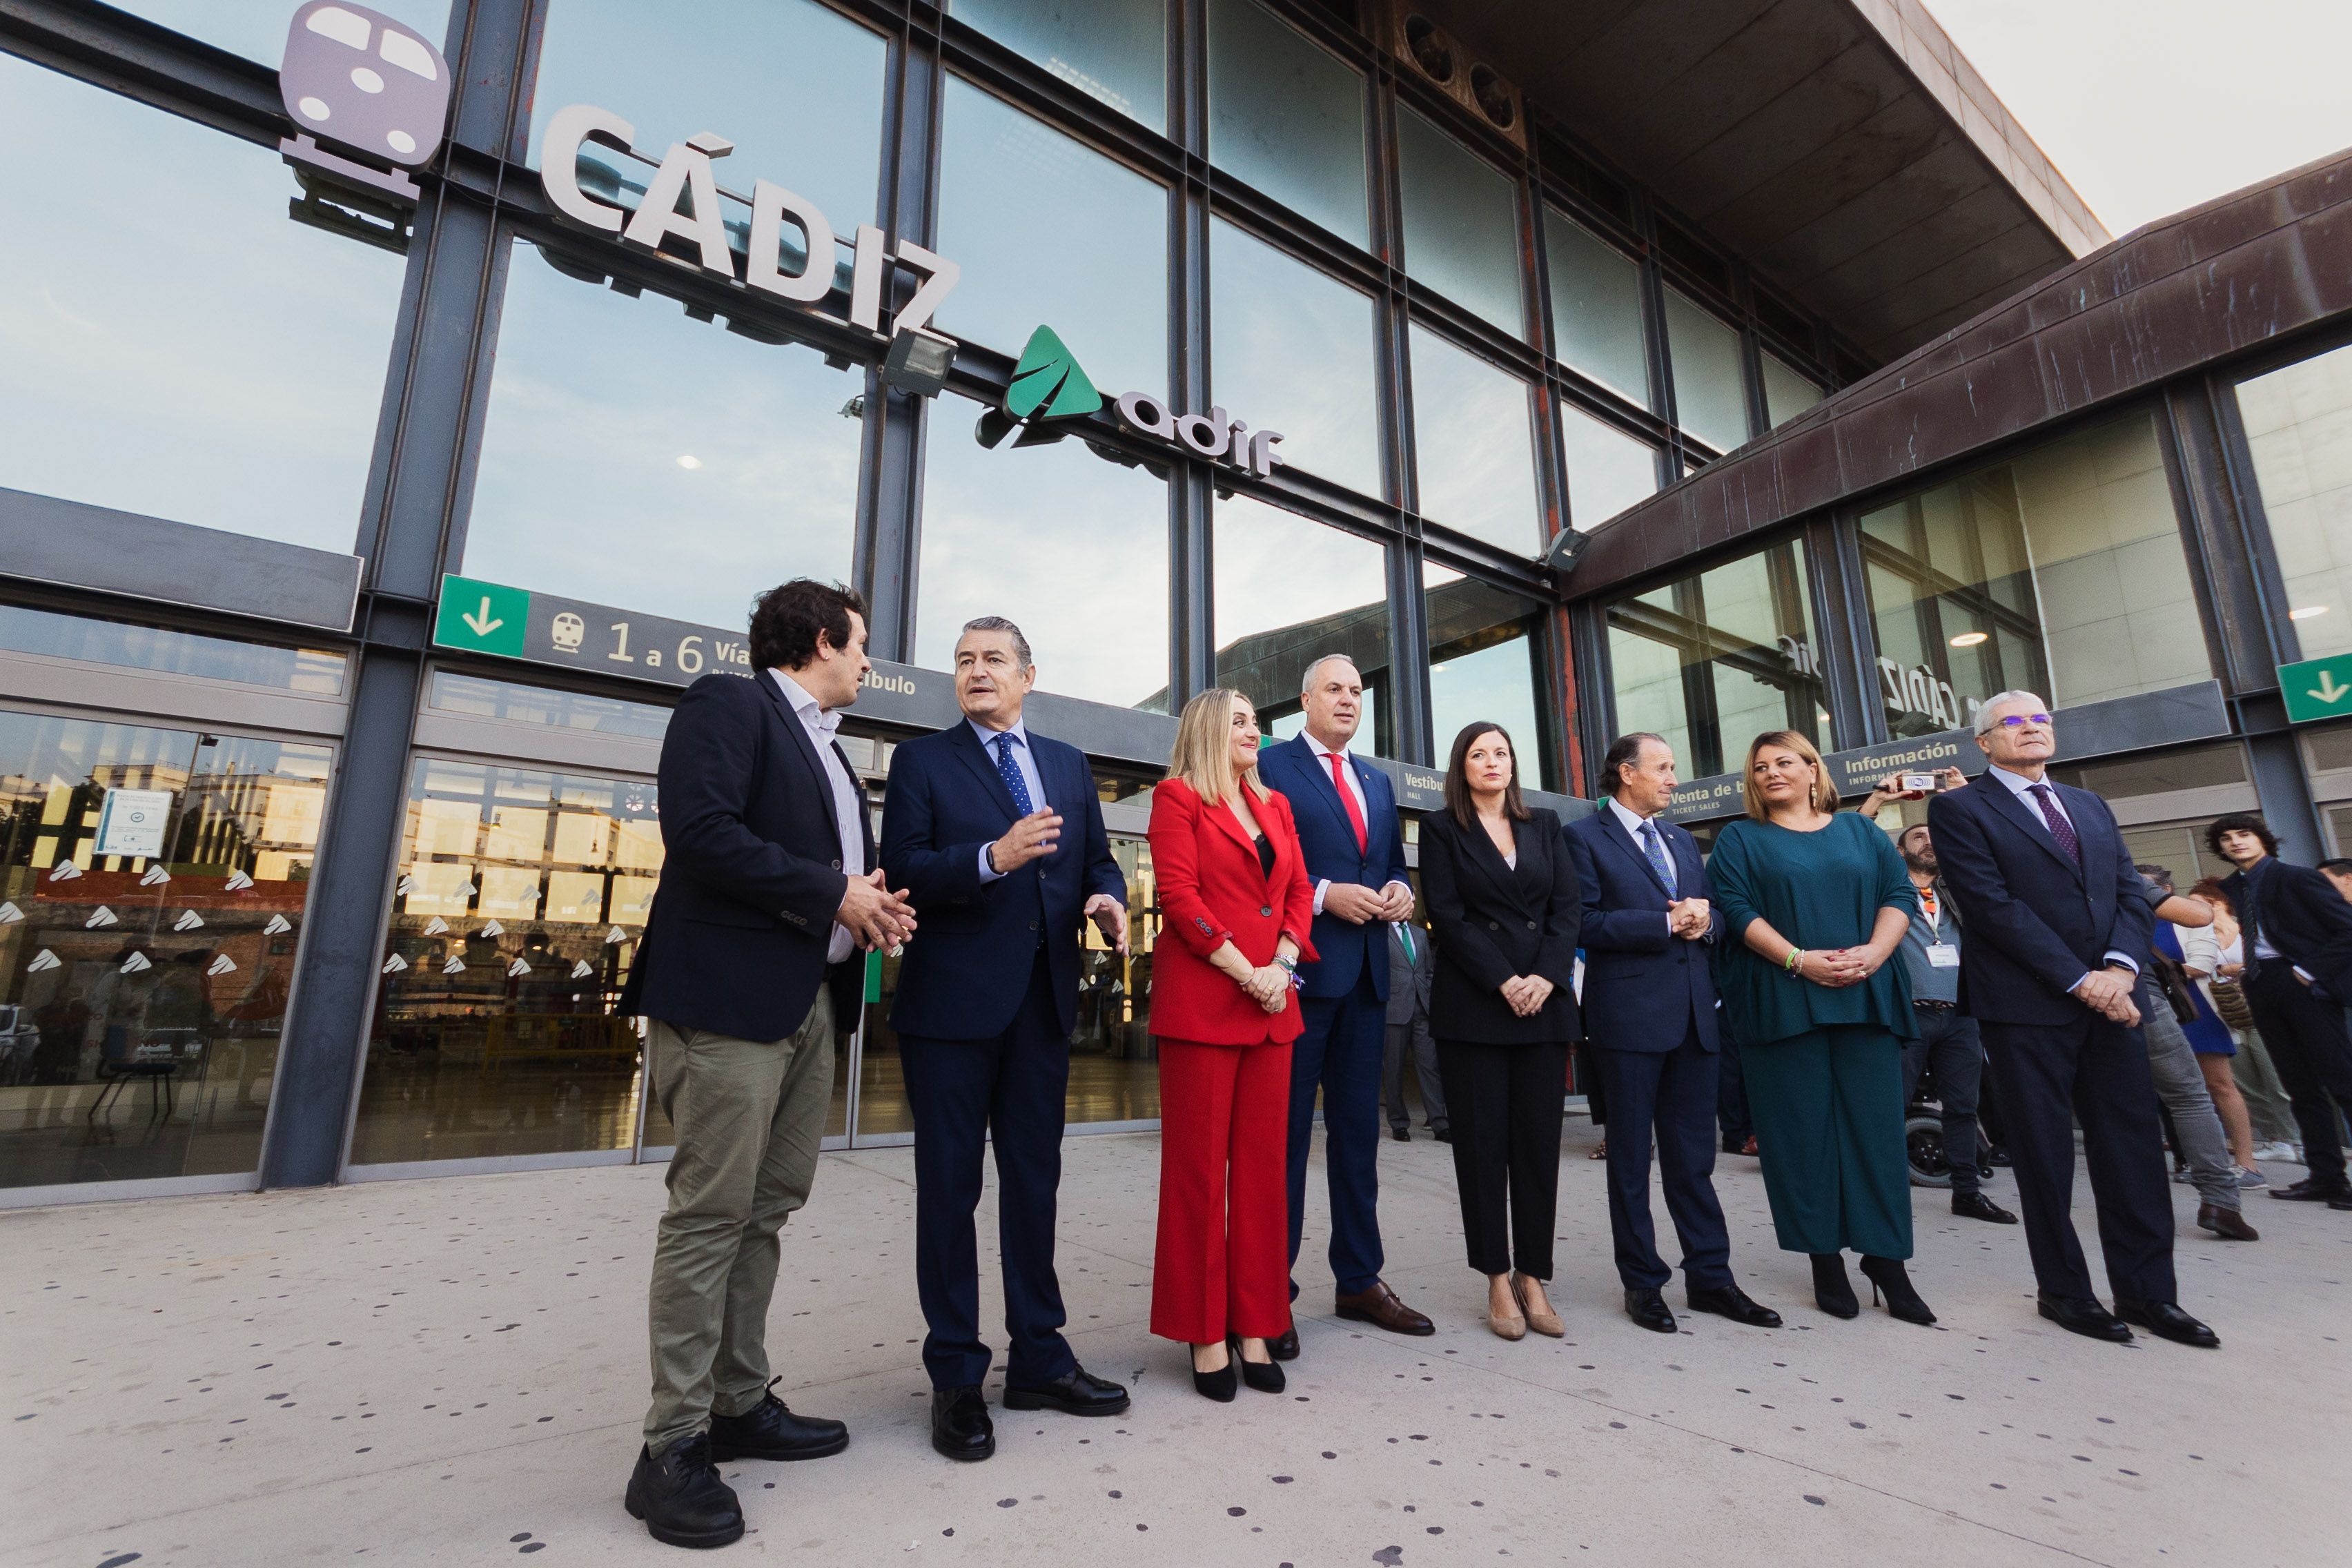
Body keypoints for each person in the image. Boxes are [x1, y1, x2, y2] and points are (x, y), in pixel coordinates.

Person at [618, 580, 916, 1548]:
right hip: (728, 1008)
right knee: (710, 1213)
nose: (869, 663)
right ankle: (670, 1447)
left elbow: (825, 879)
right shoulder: (728, 704)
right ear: (821, 640)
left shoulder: (831, 751)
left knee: (769, 1207)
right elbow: (701, 837)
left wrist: (869, 902)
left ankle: (739, 1403)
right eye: (861, 644)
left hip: (806, 1011)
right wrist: (835, 891)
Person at [878, 617, 1133, 1462]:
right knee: (950, 1194)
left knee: (1035, 1186)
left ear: (1029, 675)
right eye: (964, 660)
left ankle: (1040, 1358)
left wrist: (1108, 898)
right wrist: (992, 855)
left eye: (993, 659)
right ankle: (956, 1375)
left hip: (1042, 1007)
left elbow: (1097, 860)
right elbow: (905, 867)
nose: (976, 671)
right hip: (950, 1010)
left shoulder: (1063, 764)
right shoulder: (922, 762)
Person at [1928, 693, 2216, 1348]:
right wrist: (2079, 978)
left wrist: (2118, 969)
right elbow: (1991, 906)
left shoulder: (2088, 805)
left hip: (2115, 998)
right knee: (2045, 1154)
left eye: (2041, 720)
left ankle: (2149, 1295)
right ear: (1984, 743)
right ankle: (2064, 1291)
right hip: (2028, 1007)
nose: (2031, 730)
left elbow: (2127, 893)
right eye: (2014, 723)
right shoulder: (1959, 808)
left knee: (2133, 1149)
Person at [1709, 731, 1932, 1326]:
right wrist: (1797, 959)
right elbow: (1735, 909)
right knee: (1799, 1138)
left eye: (1785, 762)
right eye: (1760, 768)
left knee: (1876, 1135)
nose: (1771, 774)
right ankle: (1825, 1260)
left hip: (1866, 994)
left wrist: (1876, 954)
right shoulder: (1740, 839)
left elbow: (1896, 893)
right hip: (1783, 1001)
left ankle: (1887, 1261)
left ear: (1813, 770)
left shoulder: (1860, 831)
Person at [1563, 732, 1783, 1335]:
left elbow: (1709, 917)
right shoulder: (1582, 837)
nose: (1673, 779)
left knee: (1694, 1162)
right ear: (1626, 773)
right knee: (1631, 1163)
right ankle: (1643, 1284)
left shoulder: (1684, 841)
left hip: (1694, 1019)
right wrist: (1664, 922)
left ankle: (1711, 1278)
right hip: (1629, 1022)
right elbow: (1582, 922)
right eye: (1663, 768)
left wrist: (1704, 921)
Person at [1255, 655, 1431, 1353]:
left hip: (1366, 980)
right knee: (1286, 1144)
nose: (1349, 699)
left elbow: (1387, 859)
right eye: (1336, 689)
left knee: (1359, 1142)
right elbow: (1264, 859)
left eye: (1358, 691)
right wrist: (1327, 894)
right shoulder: (1273, 768)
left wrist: (1399, 890)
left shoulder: (1377, 781)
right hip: (1301, 977)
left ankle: (1359, 1279)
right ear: (1305, 699)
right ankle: (1272, 1290)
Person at [1145, 689, 1317, 1402]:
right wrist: (1247, 972)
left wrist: (1280, 965)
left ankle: (1255, 1322)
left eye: (1256, 721)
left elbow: (1301, 891)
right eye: (1241, 720)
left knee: (1261, 1175)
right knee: (1198, 1174)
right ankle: (1203, 1331)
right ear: (1211, 729)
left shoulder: (1277, 805)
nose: (1255, 731)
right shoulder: (1176, 797)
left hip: (1272, 1006)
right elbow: (1181, 899)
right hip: (1206, 1006)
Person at [1418, 723, 1581, 1340]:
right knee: (1483, 1151)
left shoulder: (1545, 825)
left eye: (1503, 752)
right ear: (1462, 767)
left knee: (1538, 1147)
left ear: (1515, 763)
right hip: (1478, 1008)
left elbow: (1567, 910)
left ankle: (1534, 1275)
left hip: (1543, 1006)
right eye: (1480, 754)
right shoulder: (1439, 830)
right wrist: (1503, 981)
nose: (1493, 762)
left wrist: (1543, 977)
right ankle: (1495, 1276)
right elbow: (1448, 917)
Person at [2211, 813, 2352, 1210]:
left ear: (2263, 839)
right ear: (2219, 848)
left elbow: (2348, 929)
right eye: (2226, 838)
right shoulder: (2232, 887)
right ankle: (2327, 1179)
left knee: (2343, 1082)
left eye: (2244, 834)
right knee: (2300, 1087)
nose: (2236, 842)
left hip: (2304, 982)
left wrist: (2307, 972)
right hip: (2261, 983)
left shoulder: (2298, 877)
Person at [1880, 821, 2015, 1224]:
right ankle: (1886, 1199)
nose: (1930, 841)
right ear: (1900, 852)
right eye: (1918, 836)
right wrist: (1878, 800)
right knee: (1891, 1106)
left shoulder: (1956, 893)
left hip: (1959, 1014)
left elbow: (1996, 857)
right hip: (1907, 1014)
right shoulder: (1886, 892)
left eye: (1936, 835)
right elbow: (1860, 848)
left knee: (1962, 1107)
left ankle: (1967, 1193)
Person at [2130, 865, 2257, 1241]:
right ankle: (2221, 1202)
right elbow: (2197, 914)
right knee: (2188, 1097)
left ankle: (2132, 1207)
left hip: (2069, 992)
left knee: (2114, 1101)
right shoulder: (2106, 863)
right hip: (2141, 992)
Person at [2186, 878, 2303, 1158]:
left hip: (2263, 1013)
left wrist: (2236, 967)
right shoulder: (2200, 938)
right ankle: (2277, 1140)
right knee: (2244, 1082)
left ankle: (2299, 1141)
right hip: (2225, 1014)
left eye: (2196, 905)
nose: (2190, 911)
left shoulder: (2247, 932)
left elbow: (2277, 961)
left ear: (2217, 904)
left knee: (2277, 1079)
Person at [1382, 917, 1448, 1142]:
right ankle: (1399, 1123)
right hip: (1395, 1010)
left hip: (1423, 1010)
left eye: (1411, 897)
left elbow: (1428, 971)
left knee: (1430, 1066)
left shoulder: (1420, 934)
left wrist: (1429, 998)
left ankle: (1440, 1123)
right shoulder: (1380, 931)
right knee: (1394, 1070)